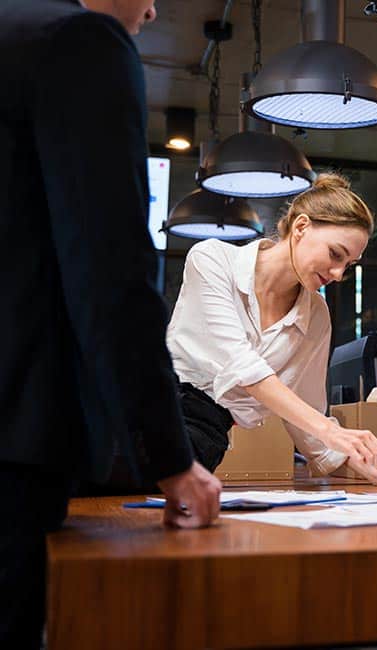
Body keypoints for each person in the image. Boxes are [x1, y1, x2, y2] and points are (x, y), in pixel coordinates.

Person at [0, 1, 222, 647]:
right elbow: (110, 267)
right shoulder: (76, 41)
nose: (152, 9)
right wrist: (169, 457)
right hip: (15, 440)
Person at [167, 174, 377, 487]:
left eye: (349, 264)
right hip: (154, 408)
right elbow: (243, 367)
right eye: (335, 254)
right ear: (301, 227)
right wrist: (334, 431)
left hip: (205, 438)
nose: (339, 274)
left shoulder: (317, 315)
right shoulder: (212, 260)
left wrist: (373, 472)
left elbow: (308, 412)